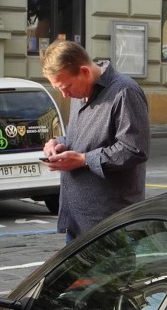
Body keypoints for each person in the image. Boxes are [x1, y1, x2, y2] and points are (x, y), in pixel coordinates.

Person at [41, 40, 150, 240]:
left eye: (66, 87)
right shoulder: (80, 92)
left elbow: (135, 149)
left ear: (84, 71)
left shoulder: (124, 92)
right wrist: (60, 143)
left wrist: (83, 159)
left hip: (111, 225)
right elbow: (85, 138)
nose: (65, 95)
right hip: (78, 222)